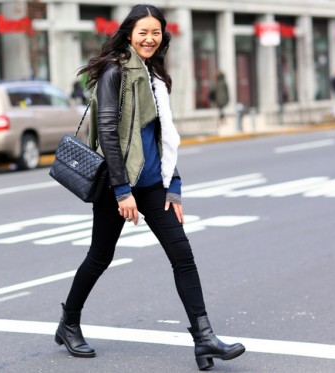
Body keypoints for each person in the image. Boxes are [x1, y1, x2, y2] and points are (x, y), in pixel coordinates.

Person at [54, 4, 245, 370]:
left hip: (153, 182)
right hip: (119, 182)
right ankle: (69, 322)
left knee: (182, 255)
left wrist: (174, 185)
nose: (149, 38)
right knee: (100, 255)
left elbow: (164, 138)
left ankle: (204, 339)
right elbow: (108, 131)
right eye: (143, 32)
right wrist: (122, 191)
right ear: (129, 34)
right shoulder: (115, 73)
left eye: (155, 32)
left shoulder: (154, 75)